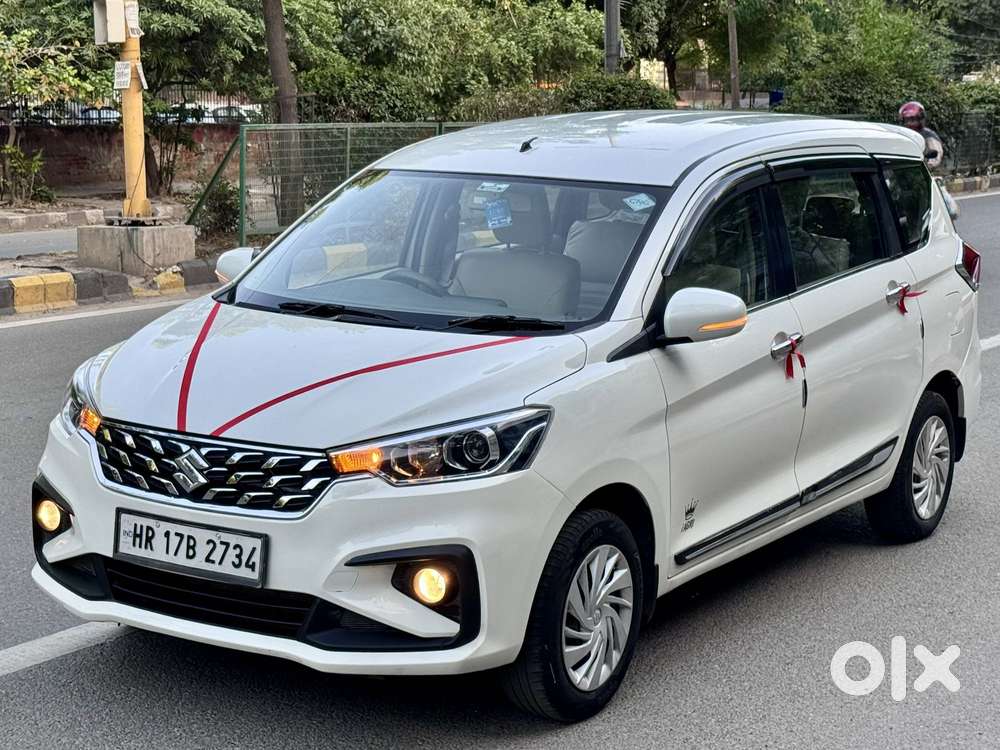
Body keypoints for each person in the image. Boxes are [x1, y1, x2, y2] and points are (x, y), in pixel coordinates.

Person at [899, 101, 944, 169]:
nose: (910, 123)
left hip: (919, 169)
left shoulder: (928, 134)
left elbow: (936, 152)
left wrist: (929, 163)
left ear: (920, 118)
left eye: (913, 119)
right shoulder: (902, 134)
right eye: (907, 120)